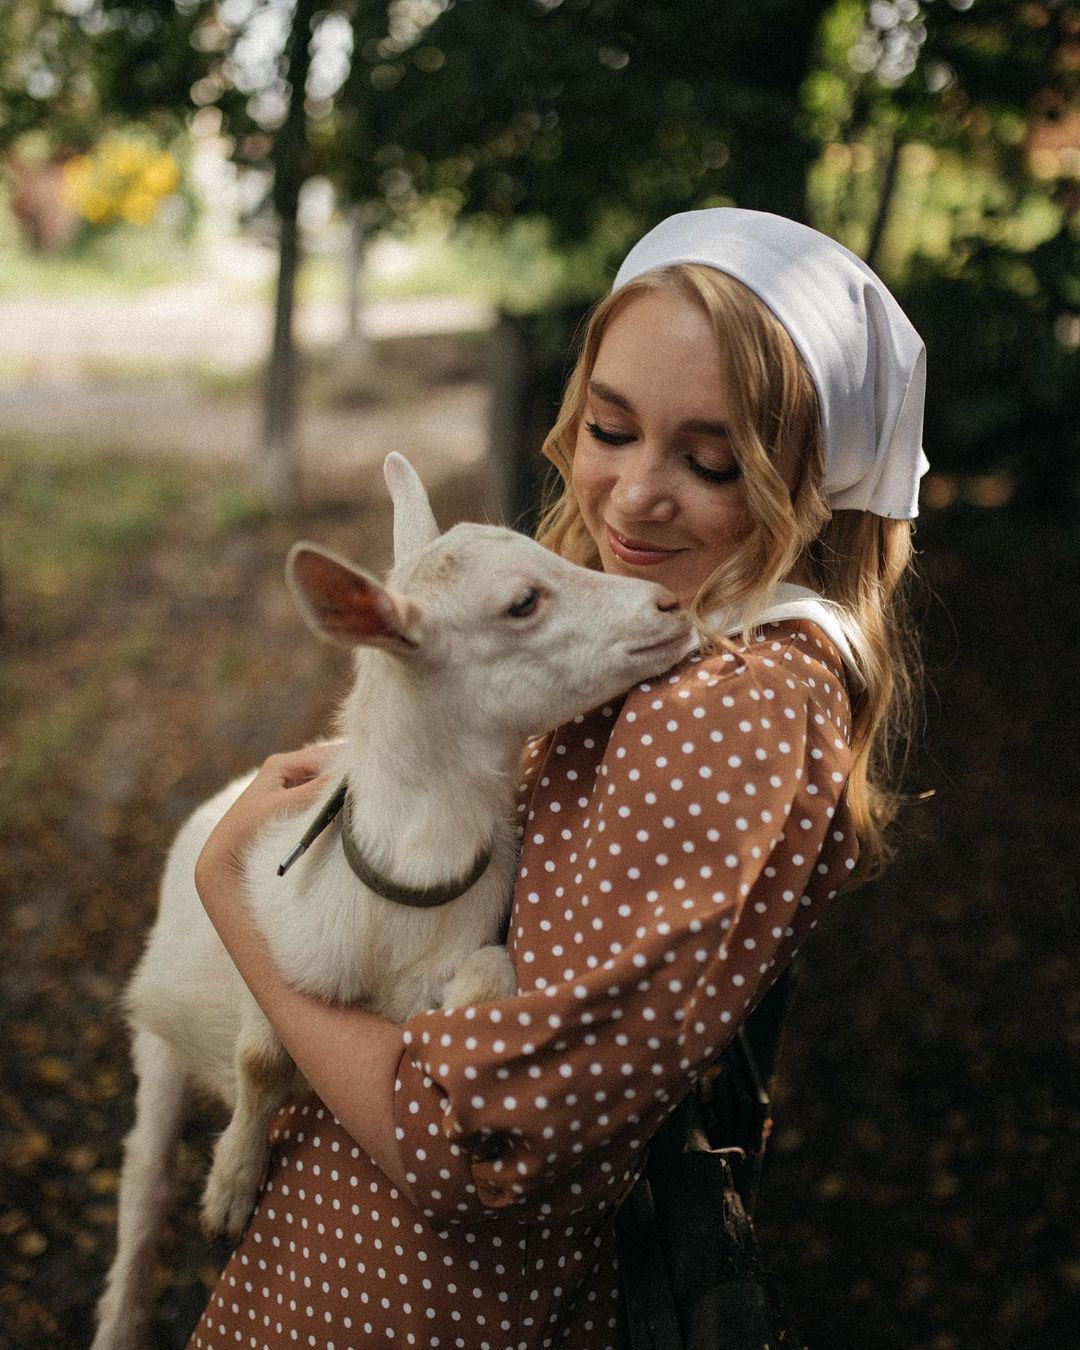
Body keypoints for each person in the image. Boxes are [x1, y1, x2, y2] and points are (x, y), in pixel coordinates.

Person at [187, 208, 927, 1349]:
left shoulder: (732, 705)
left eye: (712, 459)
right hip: (352, 1256)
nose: (632, 496)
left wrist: (233, 893)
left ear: (811, 475)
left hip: (430, 1300)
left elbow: (477, 1140)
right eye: (608, 428)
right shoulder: (671, 638)